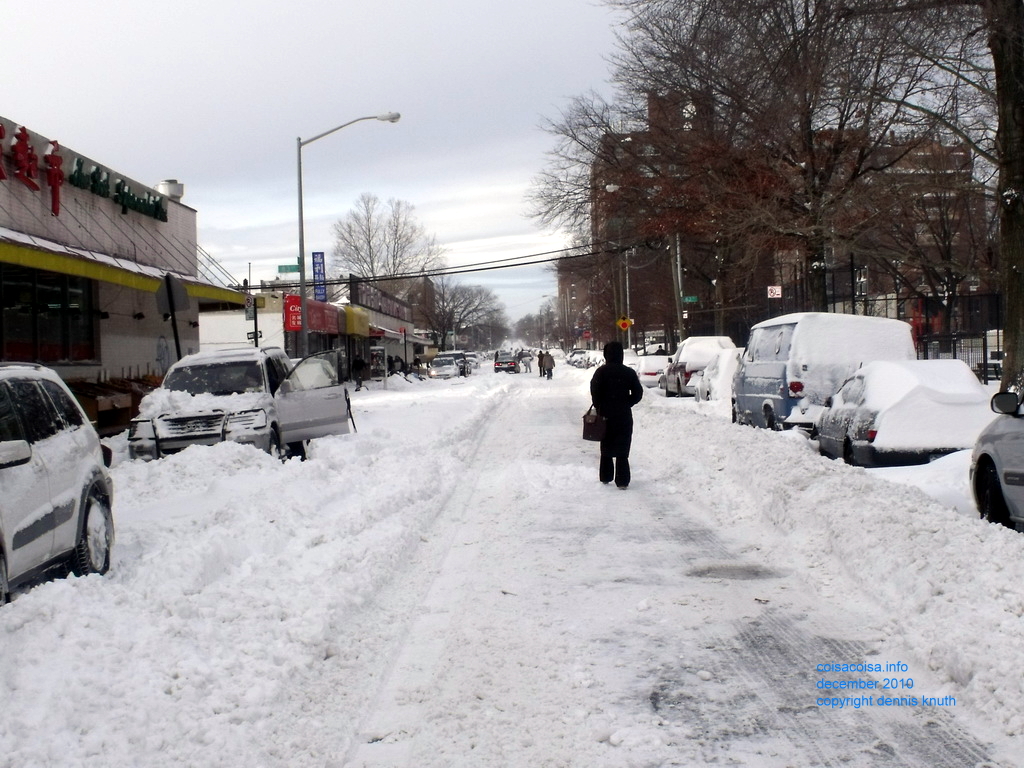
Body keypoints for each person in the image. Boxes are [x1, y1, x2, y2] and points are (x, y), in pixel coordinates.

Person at [589, 341, 643, 489]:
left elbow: (595, 391)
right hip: (623, 415)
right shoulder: (628, 373)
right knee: (623, 447)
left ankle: (606, 476)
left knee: (606, 445)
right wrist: (627, 403)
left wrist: (600, 405)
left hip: (605, 414)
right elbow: (638, 393)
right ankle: (622, 480)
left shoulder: (601, 372)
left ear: (606, 354)